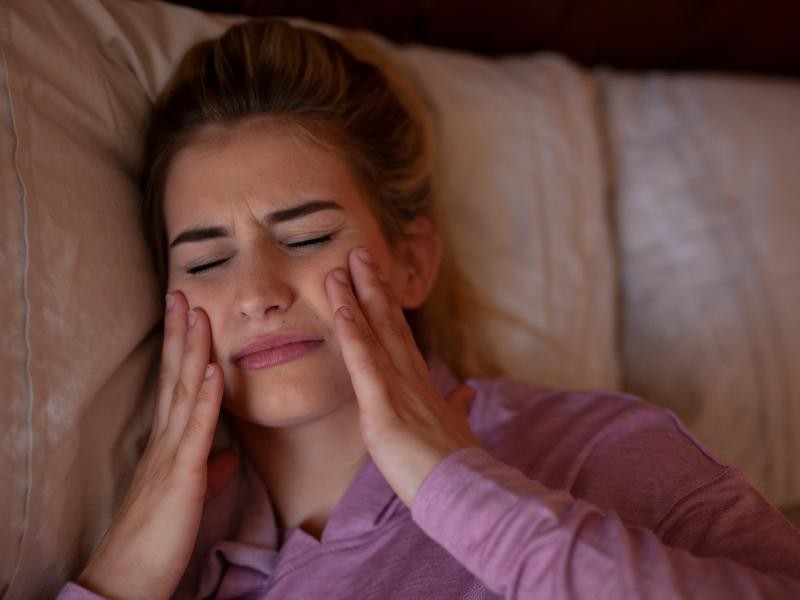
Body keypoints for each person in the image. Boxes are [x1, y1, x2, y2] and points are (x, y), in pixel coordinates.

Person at [58, 18, 800, 600]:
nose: (257, 293)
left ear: (411, 263)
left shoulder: (593, 449)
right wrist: (122, 575)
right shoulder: (175, 562)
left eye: (308, 235)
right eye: (208, 259)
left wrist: (450, 482)